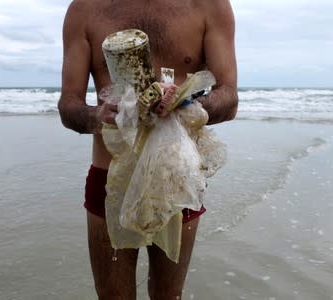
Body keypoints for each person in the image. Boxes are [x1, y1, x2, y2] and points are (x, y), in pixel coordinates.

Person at [58, 0, 238, 299]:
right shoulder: (85, 9)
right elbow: (68, 105)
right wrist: (99, 115)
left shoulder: (209, 5)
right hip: (110, 178)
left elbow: (229, 98)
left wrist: (185, 103)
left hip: (178, 177)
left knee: (168, 294)